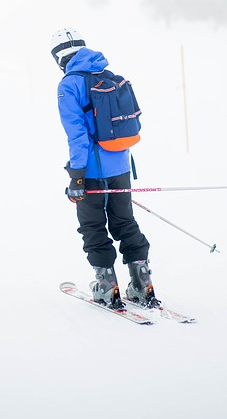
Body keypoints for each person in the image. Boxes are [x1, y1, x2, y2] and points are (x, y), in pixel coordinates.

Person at [51, 27, 159, 309]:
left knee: (93, 226)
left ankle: (106, 287)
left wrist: (77, 177)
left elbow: (77, 136)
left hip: (91, 171)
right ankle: (142, 284)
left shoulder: (68, 85)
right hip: (121, 165)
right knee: (124, 222)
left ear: (59, 57)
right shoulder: (108, 76)